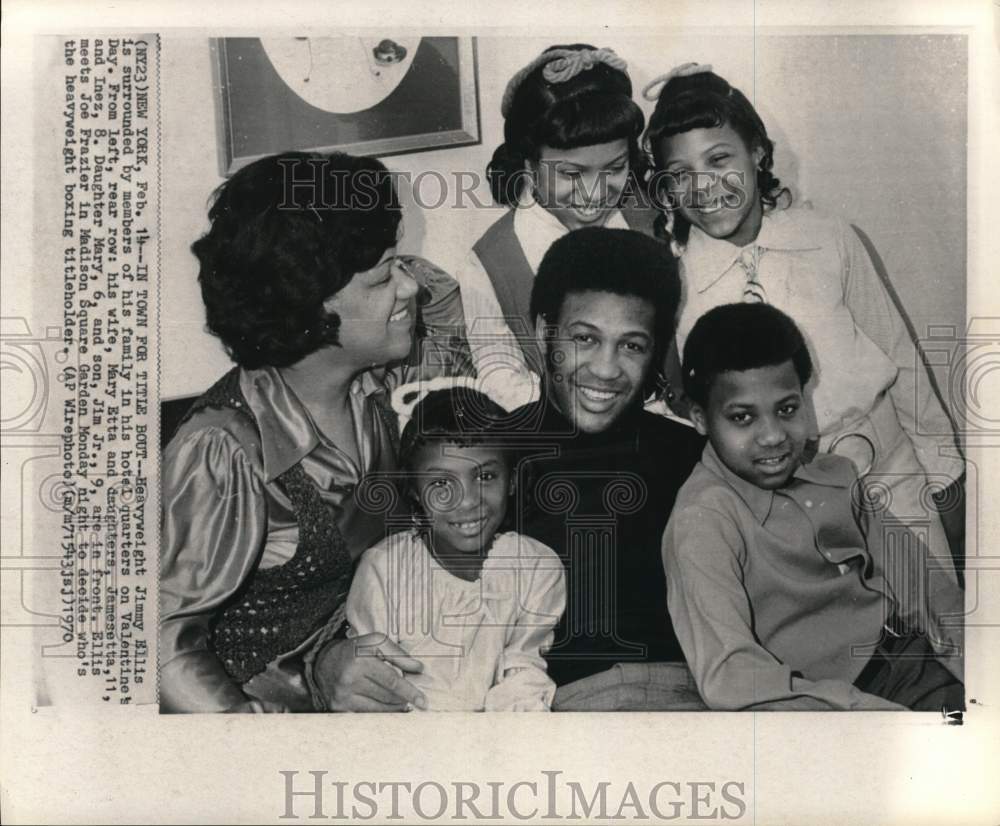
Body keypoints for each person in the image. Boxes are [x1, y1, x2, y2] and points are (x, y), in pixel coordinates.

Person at [159, 151, 469, 713]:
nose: (409, 287)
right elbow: (160, 647)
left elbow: (444, 300)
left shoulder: (383, 384)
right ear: (308, 308)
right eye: (382, 277)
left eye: (402, 264)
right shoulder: (225, 447)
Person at [642, 63, 965, 571]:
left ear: (758, 152)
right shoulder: (672, 283)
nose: (703, 187)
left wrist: (944, 475)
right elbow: (687, 413)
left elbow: (899, 356)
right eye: (680, 174)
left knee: (943, 633)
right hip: (783, 504)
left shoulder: (829, 237)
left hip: (890, 471)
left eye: (719, 158)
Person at [663, 303, 964, 711]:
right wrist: (873, 716)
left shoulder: (835, 476)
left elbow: (924, 587)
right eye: (742, 418)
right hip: (837, 706)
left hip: (918, 663)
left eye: (787, 409)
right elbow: (732, 676)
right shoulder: (703, 522)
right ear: (700, 418)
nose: (772, 436)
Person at [513, 227, 706, 711]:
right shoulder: (488, 457)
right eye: (584, 339)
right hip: (557, 714)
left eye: (632, 346)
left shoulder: (691, 456)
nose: (605, 369)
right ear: (543, 332)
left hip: (693, 702)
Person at [457, 43, 665, 410]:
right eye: (571, 174)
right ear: (528, 165)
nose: (595, 192)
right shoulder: (489, 261)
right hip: (572, 443)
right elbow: (501, 377)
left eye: (614, 168)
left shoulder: (653, 218)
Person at [345, 386, 566, 711]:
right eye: (440, 483)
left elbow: (523, 674)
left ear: (513, 480)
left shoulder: (537, 568)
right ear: (415, 491)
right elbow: (375, 678)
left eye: (486, 476)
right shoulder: (384, 568)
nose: (466, 500)